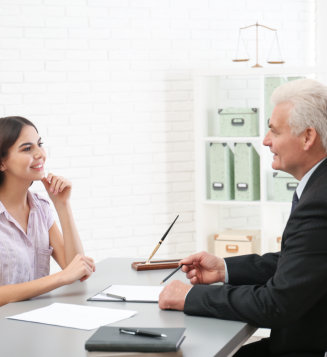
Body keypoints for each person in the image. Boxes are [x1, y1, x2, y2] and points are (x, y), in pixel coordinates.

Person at [159, 79, 327, 356]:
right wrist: (224, 269)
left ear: (308, 137)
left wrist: (189, 296)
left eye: (274, 131)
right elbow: (300, 263)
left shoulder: (319, 202)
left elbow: (276, 305)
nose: (265, 140)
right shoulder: (318, 187)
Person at [0, 116, 95, 306]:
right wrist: (60, 278)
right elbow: (68, 274)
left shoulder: (41, 208)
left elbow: (77, 271)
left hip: (37, 322)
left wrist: (62, 205)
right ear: (2, 163)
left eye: (39, 144)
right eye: (27, 148)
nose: (40, 154)